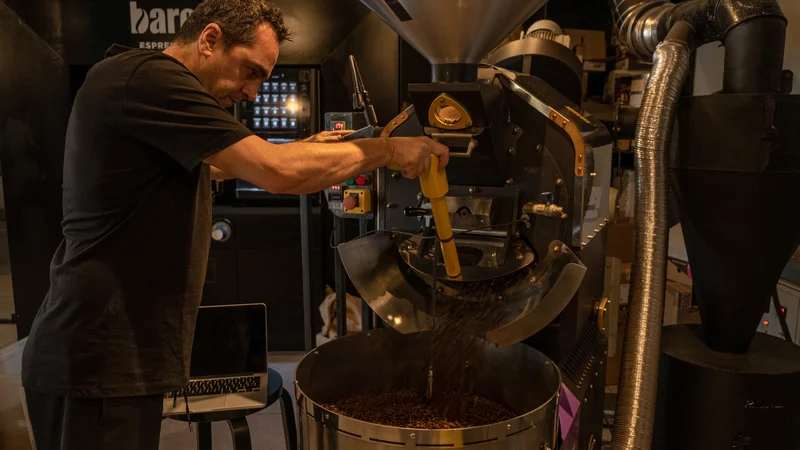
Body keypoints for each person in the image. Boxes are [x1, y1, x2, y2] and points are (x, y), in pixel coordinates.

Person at [20, 0, 449, 448]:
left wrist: (311, 146)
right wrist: (390, 151)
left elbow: (223, 166)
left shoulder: (143, 88)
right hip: (97, 355)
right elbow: (276, 171)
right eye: (251, 71)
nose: (253, 93)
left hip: (107, 354)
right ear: (209, 40)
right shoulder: (151, 79)